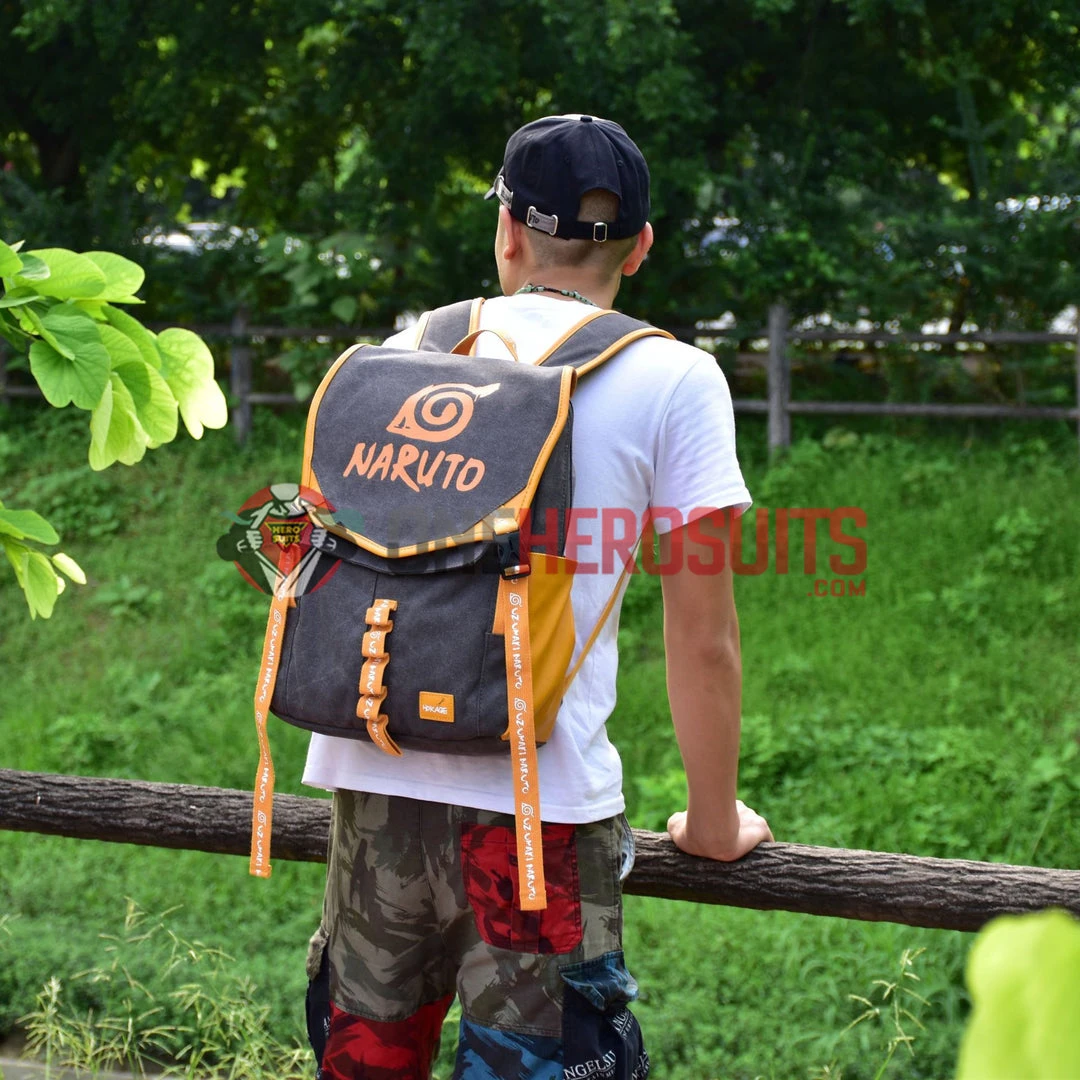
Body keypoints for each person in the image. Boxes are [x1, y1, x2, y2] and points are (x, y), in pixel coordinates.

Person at [301, 113, 773, 1080]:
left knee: (366, 1060)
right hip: (540, 818)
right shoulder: (676, 379)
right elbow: (704, 639)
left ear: (507, 231)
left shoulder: (405, 349)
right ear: (640, 248)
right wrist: (713, 823)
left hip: (374, 780)